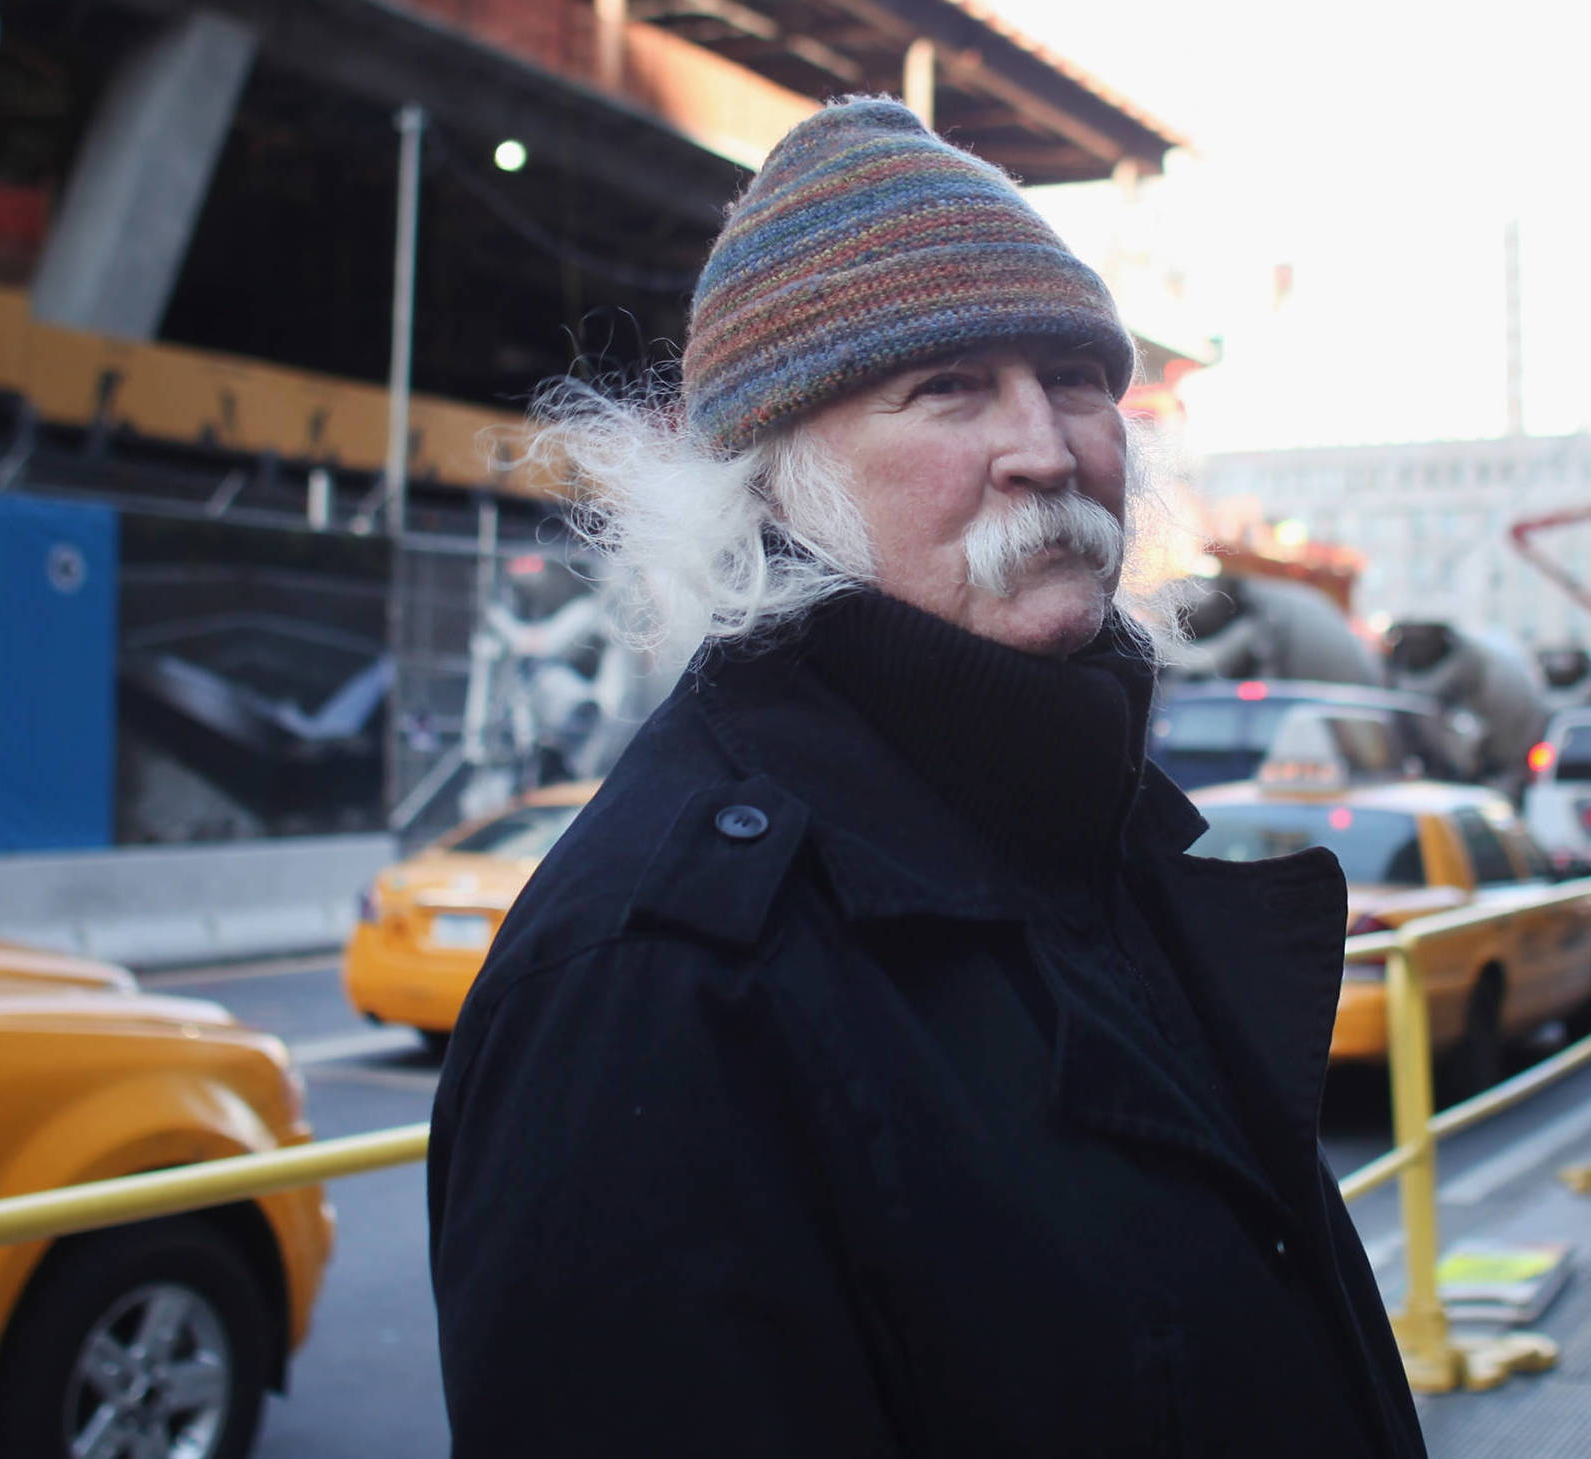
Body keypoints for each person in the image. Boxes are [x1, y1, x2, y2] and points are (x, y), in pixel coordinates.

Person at [426, 98, 1424, 1457]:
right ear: (770, 484)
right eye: (948, 387)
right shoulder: (654, 976)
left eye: (1074, 380)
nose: (1047, 448)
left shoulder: (1080, 832)